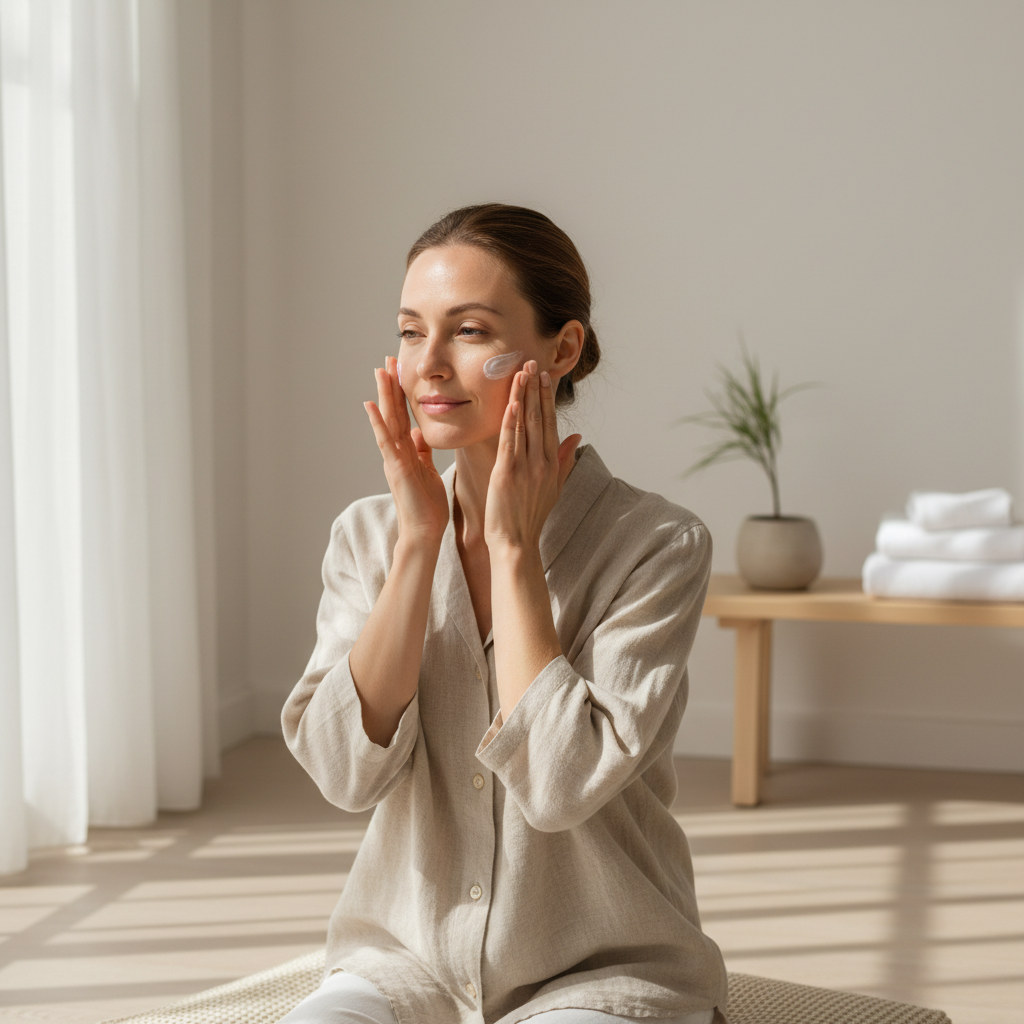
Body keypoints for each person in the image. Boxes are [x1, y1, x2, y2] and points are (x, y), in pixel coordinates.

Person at [280, 204, 728, 1024]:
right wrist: (418, 543)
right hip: (402, 962)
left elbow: (559, 789)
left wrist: (514, 552)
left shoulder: (656, 544)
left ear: (562, 349)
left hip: (602, 967)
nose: (429, 366)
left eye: (472, 331)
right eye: (413, 332)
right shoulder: (367, 536)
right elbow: (345, 775)